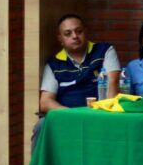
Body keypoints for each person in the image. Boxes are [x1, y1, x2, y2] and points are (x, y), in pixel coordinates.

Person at [32, 14, 121, 153]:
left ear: (86, 32)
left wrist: (103, 116)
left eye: (78, 31)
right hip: (68, 117)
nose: (74, 36)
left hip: (99, 115)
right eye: (68, 33)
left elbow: (113, 84)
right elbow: (45, 102)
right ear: (60, 39)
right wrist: (73, 115)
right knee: (41, 126)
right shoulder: (54, 64)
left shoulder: (104, 51)